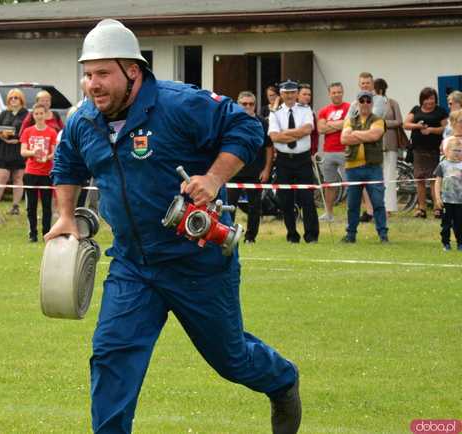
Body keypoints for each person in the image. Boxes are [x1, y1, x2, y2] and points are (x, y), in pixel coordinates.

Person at [47, 19, 301, 434]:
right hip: (132, 266)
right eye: (88, 74)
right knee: (112, 355)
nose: (92, 84)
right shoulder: (83, 121)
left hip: (197, 260)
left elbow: (247, 128)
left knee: (231, 358)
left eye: (103, 73)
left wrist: (214, 178)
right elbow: (67, 164)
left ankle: (282, 380)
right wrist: (64, 216)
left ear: (133, 70)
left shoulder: (179, 103)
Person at [268, 79, 319, 243]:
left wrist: (286, 133)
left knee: (307, 199)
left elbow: (307, 130)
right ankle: (292, 235)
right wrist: (296, 133)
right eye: (286, 92)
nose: (289, 95)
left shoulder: (305, 110)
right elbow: (274, 136)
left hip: (302, 159)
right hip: (283, 161)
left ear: (297, 94)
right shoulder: (274, 113)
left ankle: (311, 236)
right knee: (286, 201)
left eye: (292, 92)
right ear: (281, 94)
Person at [340, 90, 388, 243]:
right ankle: (351, 235)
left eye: (368, 101)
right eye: (362, 101)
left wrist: (355, 133)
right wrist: (364, 135)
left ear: (372, 103)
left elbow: (375, 135)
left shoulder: (378, 120)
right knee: (352, 204)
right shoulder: (349, 119)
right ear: (357, 103)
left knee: (378, 202)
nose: (365, 104)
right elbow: (344, 139)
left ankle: (383, 235)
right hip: (352, 168)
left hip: (373, 167)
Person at [228, 91, 273, 243]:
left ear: (255, 105)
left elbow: (269, 147)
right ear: (237, 104)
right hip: (233, 171)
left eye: (251, 104)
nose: (248, 106)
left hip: (255, 172)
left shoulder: (263, 122)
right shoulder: (230, 121)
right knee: (229, 206)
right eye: (244, 104)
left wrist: (266, 169)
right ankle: (228, 234)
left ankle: (250, 237)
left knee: (255, 207)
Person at [403, 87, 448, 219]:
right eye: (427, 98)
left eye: (432, 98)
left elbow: (445, 128)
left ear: (435, 99)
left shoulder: (440, 111)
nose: (430, 101)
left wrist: (431, 130)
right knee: (420, 179)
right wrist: (418, 126)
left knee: (434, 179)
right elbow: (405, 124)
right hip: (418, 150)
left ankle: (437, 207)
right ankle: (421, 208)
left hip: (434, 150)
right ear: (422, 99)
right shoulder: (416, 109)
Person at [20, 103, 58, 242]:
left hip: (46, 173)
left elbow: (55, 152)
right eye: (36, 114)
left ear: (46, 115)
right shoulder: (28, 131)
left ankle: (46, 233)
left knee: (47, 206)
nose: (39, 116)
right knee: (31, 206)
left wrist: (48, 157)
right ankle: (32, 234)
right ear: (33, 115)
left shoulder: (51, 132)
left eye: (41, 113)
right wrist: (33, 152)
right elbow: (23, 151)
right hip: (31, 172)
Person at [0, 89, 28, 215]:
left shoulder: (26, 115)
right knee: (2, 177)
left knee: (18, 177)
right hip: (4, 148)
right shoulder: (4, 114)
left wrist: (18, 140)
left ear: (21, 99)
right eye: (11, 98)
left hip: (19, 148)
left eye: (16, 97)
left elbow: (28, 131)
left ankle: (15, 206)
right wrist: (4, 137)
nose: (13, 100)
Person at [317, 82, 350, 222]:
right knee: (329, 184)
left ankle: (351, 213)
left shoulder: (349, 107)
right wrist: (340, 125)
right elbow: (321, 129)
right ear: (329, 94)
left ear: (342, 92)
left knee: (350, 184)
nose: (336, 94)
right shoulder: (324, 110)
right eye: (334, 92)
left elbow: (349, 124)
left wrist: (329, 124)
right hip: (328, 151)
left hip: (345, 150)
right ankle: (328, 213)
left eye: (339, 92)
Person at [374, 78, 403, 215]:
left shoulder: (392, 103)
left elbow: (399, 121)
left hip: (390, 143)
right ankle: (376, 207)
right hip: (374, 144)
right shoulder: (369, 103)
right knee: (376, 177)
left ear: (380, 90)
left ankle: (388, 208)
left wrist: (383, 123)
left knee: (389, 175)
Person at [434, 135, 462, 251]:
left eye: (460, 151)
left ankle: (460, 243)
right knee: (446, 224)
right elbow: (437, 182)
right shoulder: (443, 165)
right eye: (455, 150)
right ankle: (446, 243)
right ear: (446, 151)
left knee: (459, 224)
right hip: (447, 200)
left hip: (460, 201)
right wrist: (438, 198)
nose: (457, 153)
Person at [297, 83, 319, 156]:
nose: (307, 97)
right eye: (304, 94)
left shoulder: (311, 112)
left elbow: (315, 134)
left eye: (309, 95)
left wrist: (313, 152)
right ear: (297, 95)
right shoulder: (290, 110)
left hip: (307, 152)